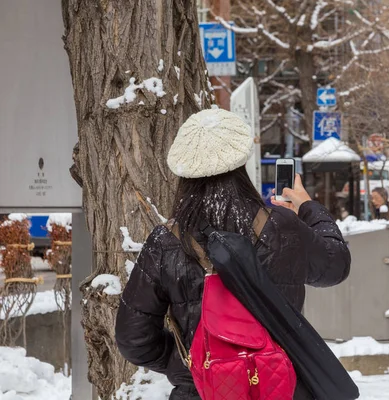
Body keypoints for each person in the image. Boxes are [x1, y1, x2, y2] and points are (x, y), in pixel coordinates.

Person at [114, 109, 351, 400]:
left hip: (200, 391)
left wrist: (191, 366)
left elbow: (133, 338)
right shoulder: (282, 227)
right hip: (278, 386)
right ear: (241, 162)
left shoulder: (165, 242)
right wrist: (307, 208)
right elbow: (335, 265)